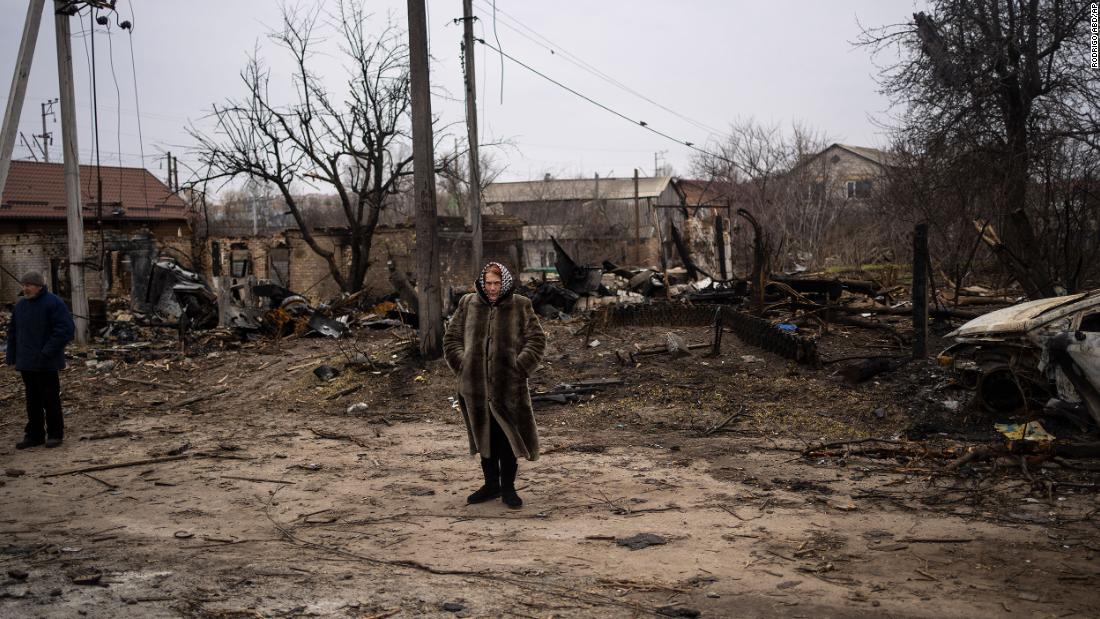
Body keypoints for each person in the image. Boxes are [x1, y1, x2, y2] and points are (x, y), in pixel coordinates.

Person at [443, 261, 546, 508]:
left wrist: (519, 367)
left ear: (506, 283)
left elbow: (537, 340)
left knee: (507, 439)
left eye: (497, 283)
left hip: (507, 387)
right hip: (474, 386)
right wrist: (463, 363)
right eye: (488, 283)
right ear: (482, 282)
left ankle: (508, 488)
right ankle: (491, 485)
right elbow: (451, 338)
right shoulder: (468, 304)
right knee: (483, 436)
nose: (492, 288)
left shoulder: (520, 305)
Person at [5, 271, 75, 449]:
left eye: (29, 285)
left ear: (39, 286)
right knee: (32, 400)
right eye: (24, 285)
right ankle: (34, 435)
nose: (25, 288)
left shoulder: (53, 303)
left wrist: (46, 352)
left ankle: (55, 434)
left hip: (46, 363)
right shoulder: (21, 306)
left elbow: (65, 330)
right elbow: (13, 333)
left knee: (50, 399)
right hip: (27, 363)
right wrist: (11, 357)